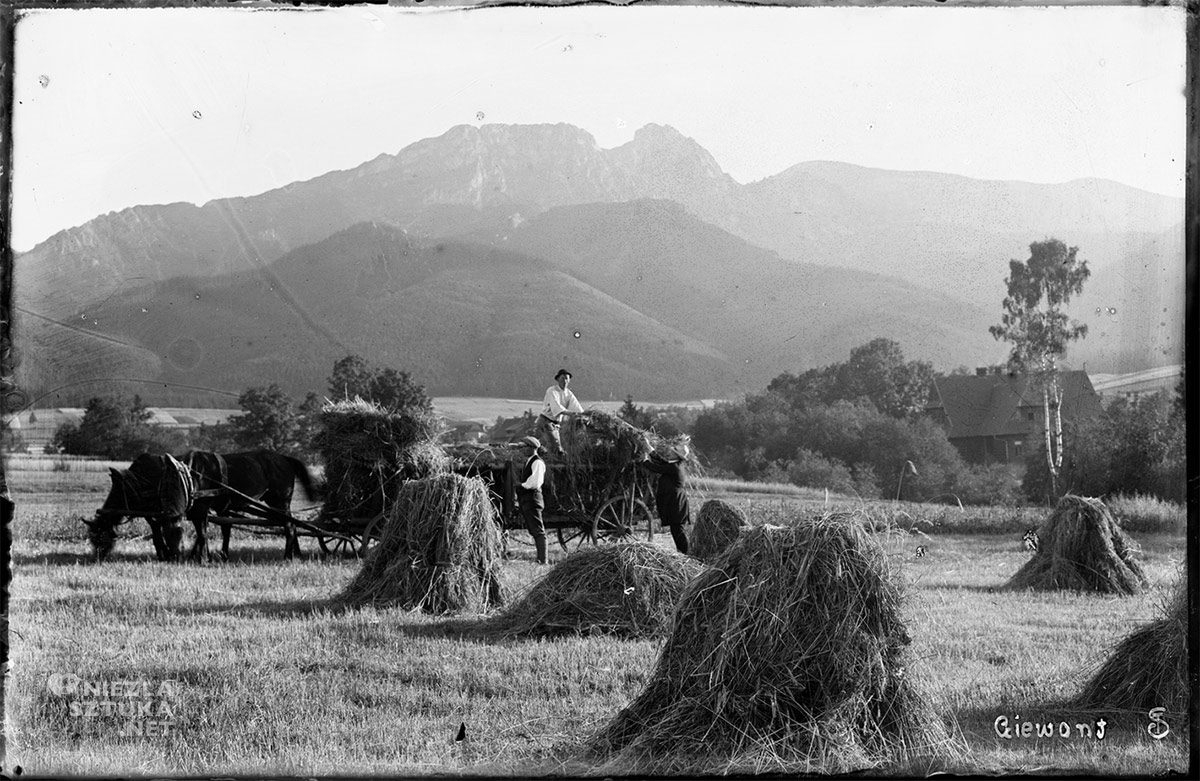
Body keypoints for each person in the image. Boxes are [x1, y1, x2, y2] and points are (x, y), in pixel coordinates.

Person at [640, 436, 692, 555]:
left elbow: (657, 467)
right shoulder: (676, 464)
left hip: (676, 503)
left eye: (672, 452)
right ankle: (684, 553)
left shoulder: (674, 467)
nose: (669, 452)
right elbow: (661, 461)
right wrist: (649, 448)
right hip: (676, 502)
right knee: (677, 530)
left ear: (676, 456)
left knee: (678, 530)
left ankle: (687, 555)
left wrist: (645, 461)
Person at [516, 435, 548, 565]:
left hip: (533, 498)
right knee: (535, 530)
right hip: (529, 499)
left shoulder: (537, 462)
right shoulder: (529, 461)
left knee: (538, 530)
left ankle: (543, 560)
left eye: (524, 447)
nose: (522, 450)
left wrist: (521, 485)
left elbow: (535, 482)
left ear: (531, 448)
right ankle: (541, 559)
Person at [539, 369, 584, 456]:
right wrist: (572, 414)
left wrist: (583, 415)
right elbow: (557, 407)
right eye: (562, 378)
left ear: (569, 381)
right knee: (557, 448)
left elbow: (577, 407)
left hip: (556, 424)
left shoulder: (569, 394)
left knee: (548, 446)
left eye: (567, 379)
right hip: (546, 421)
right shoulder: (552, 391)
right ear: (558, 379)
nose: (565, 381)